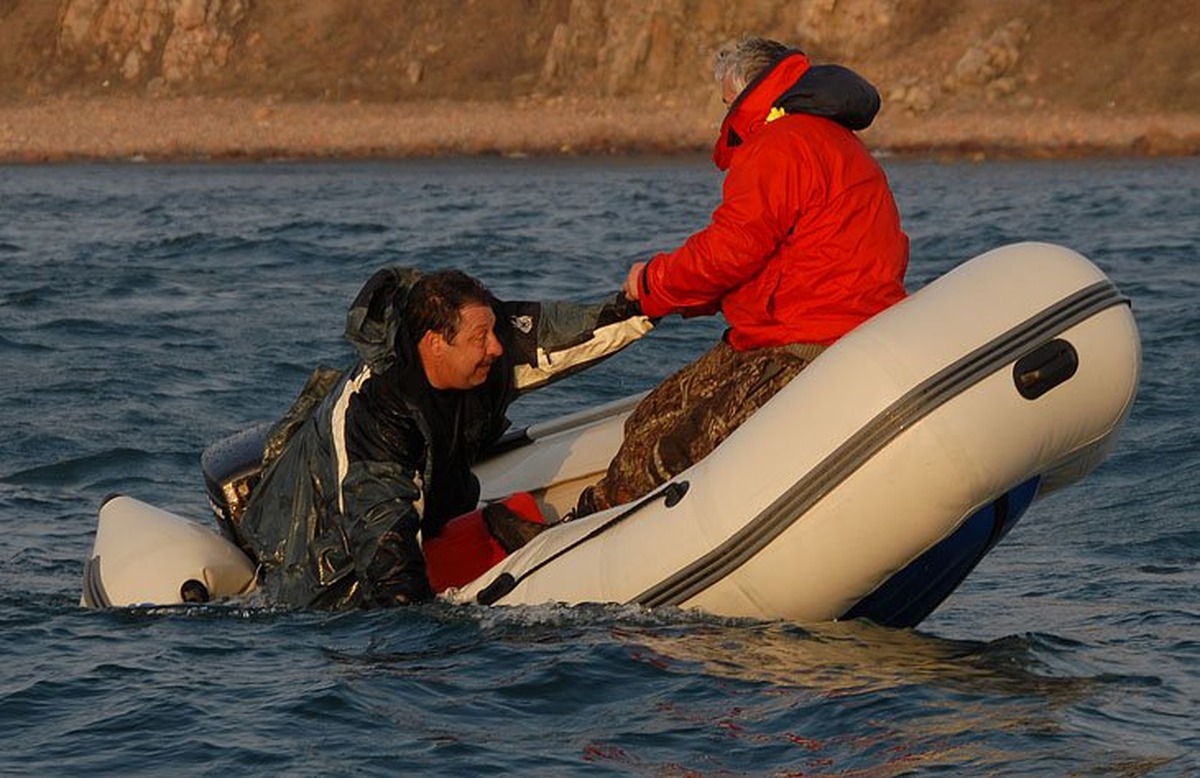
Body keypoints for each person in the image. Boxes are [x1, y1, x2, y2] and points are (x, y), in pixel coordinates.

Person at [574, 37, 910, 516]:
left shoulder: (781, 144)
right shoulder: (825, 137)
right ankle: (597, 517)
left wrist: (654, 282)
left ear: (746, 93)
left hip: (807, 337)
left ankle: (589, 530)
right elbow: (768, 259)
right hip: (802, 325)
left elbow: (731, 250)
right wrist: (681, 296)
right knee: (653, 415)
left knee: (661, 451)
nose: (723, 116)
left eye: (726, 103)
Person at [233, 267, 652, 609]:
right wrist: (427, 634)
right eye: (480, 339)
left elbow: (574, 332)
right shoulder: (378, 413)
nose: (497, 348)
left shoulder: (485, 343)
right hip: (325, 565)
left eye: (493, 332)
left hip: (432, 505)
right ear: (435, 344)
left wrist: (658, 297)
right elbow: (384, 545)